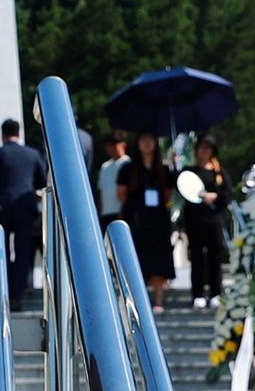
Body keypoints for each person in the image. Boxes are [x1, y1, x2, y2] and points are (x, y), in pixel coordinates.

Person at [0, 118, 47, 312]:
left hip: (2, 206)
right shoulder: (32, 155)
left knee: (2, 251)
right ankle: (17, 294)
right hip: (25, 206)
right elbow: (42, 180)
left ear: (3, 134)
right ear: (19, 133)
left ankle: (2, 291)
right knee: (23, 252)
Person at [117, 130, 175, 310]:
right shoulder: (128, 168)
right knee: (136, 258)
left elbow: (167, 195)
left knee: (159, 259)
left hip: (157, 219)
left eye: (151, 139)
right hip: (136, 219)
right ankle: (136, 301)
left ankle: (158, 300)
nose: (147, 143)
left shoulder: (163, 169)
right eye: (143, 139)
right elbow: (122, 194)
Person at [181, 134, 232, 308]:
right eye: (201, 147)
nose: (204, 151)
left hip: (214, 220)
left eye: (207, 147)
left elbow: (228, 195)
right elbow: (180, 185)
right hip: (195, 220)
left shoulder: (220, 173)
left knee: (214, 257)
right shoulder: (190, 171)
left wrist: (215, 197)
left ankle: (215, 293)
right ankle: (198, 294)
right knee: (196, 257)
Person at [95, 129, 130, 226]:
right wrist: (100, 211)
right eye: (108, 146)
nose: (110, 149)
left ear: (123, 145)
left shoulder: (127, 163)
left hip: (120, 212)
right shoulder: (105, 166)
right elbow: (101, 191)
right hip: (106, 212)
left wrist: (125, 209)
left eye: (114, 146)